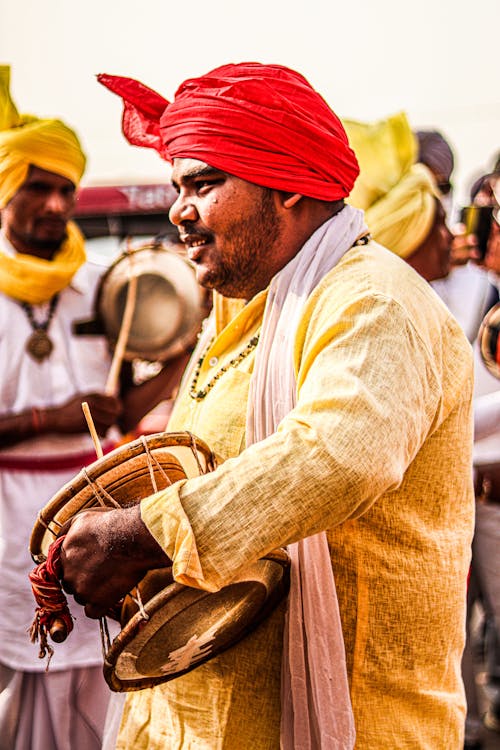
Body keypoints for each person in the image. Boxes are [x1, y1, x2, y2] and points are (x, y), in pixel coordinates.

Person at [57, 63, 474, 749]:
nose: (177, 211)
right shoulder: (249, 306)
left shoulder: (373, 301)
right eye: (176, 187)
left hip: (347, 723)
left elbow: (337, 454)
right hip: (198, 721)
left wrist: (142, 534)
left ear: (285, 184)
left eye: (202, 184)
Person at [0, 65, 189, 750]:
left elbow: (111, 413)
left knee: (90, 677)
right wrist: (50, 419)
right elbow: (71, 412)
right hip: (6, 517)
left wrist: (177, 358)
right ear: (5, 192)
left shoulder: (102, 288)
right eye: (37, 187)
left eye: (65, 189)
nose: (55, 204)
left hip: (88, 510)